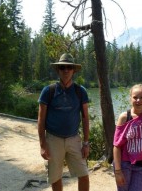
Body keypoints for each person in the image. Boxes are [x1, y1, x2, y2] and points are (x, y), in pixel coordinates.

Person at [37, 53, 90, 191]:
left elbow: (85, 118)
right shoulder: (48, 91)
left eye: (69, 67)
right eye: (62, 67)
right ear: (58, 70)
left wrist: (86, 143)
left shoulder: (80, 91)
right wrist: (43, 144)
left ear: (73, 70)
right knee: (56, 177)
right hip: (53, 139)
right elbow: (41, 120)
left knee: (84, 174)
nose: (66, 70)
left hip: (74, 139)